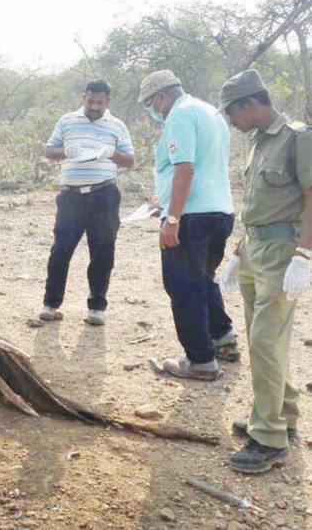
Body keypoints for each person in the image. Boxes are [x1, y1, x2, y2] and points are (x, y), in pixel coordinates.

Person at [217, 69, 312, 473]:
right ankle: (281, 414)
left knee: (264, 340)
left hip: (282, 252)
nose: (232, 122)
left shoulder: (298, 138)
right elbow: (257, 201)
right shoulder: (258, 143)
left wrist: (304, 255)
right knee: (266, 339)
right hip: (256, 247)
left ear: (251, 104)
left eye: (232, 114)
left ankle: (269, 437)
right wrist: (239, 250)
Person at [138, 70, 237, 380]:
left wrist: (172, 218)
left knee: (183, 286)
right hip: (220, 211)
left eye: (152, 103)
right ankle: (223, 338)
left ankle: (200, 361)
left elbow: (186, 169)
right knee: (203, 279)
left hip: (192, 217)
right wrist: (165, 203)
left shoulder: (179, 115)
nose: (154, 110)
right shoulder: (210, 112)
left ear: (162, 96)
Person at [39, 80, 135, 326]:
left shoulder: (117, 126)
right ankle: (50, 304)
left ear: (108, 102)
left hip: (104, 195)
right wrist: (65, 152)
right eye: (90, 101)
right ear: (84, 98)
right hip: (71, 196)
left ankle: (97, 308)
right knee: (61, 250)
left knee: (103, 251)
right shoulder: (67, 121)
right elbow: (49, 152)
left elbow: (130, 161)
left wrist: (111, 153)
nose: (94, 106)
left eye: (100, 102)